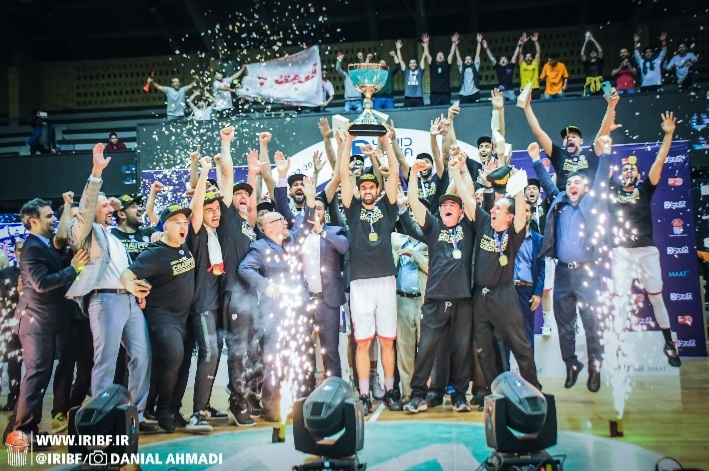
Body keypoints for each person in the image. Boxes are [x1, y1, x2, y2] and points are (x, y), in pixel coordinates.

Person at [65, 143, 155, 433]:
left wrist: (136, 290)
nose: (110, 208)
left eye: (109, 205)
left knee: (142, 356)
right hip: (104, 301)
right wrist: (96, 173)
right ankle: (100, 421)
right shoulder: (85, 232)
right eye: (104, 205)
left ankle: (135, 416)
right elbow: (86, 210)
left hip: (128, 301)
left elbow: (123, 271)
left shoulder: (113, 236)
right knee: (105, 361)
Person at [3, 199, 88, 447]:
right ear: (33, 221)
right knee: (36, 378)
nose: (54, 220)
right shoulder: (32, 248)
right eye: (49, 216)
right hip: (36, 324)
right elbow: (41, 283)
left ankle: (16, 430)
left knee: (37, 378)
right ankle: (23, 434)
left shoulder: (41, 245)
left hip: (43, 322)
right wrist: (74, 269)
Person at [457, 157, 541, 397]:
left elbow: (521, 208)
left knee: (519, 345)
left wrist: (518, 183)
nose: (492, 210)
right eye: (493, 208)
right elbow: (466, 198)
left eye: (498, 209)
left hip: (504, 295)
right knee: (483, 349)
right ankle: (496, 390)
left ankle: (534, 389)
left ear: (510, 217)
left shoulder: (515, 233)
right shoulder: (484, 222)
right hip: (480, 296)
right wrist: (455, 172)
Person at [540, 135, 613, 393]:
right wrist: (536, 161)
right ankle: (571, 364)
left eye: (577, 182)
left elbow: (602, 179)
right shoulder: (559, 204)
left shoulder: (593, 202)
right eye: (569, 182)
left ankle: (595, 367)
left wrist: (606, 152)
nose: (572, 185)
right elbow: (548, 184)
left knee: (592, 324)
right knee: (564, 325)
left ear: (585, 188)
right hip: (563, 274)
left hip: (588, 274)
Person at [403, 158, 475, 414]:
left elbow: (470, 196)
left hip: (462, 299)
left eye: (452, 205)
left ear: (460, 211)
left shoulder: (468, 226)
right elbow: (413, 201)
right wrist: (412, 174)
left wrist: (458, 171)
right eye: (443, 204)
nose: (447, 207)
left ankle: (459, 396)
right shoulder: (433, 226)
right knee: (426, 349)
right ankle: (418, 395)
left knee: (462, 350)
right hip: (434, 300)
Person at [609, 112, 681, 367]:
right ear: (621, 174)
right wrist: (607, 132)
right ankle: (618, 344)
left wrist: (668, 134)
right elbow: (601, 156)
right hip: (621, 252)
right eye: (625, 168)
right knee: (620, 300)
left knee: (656, 298)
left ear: (639, 174)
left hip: (647, 251)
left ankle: (669, 343)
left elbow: (660, 160)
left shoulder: (644, 189)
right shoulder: (612, 190)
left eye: (633, 168)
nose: (629, 171)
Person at [120, 202, 196, 433]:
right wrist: (133, 288)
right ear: (165, 227)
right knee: (174, 355)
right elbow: (127, 274)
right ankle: (162, 410)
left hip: (185, 317)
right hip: (163, 316)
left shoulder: (185, 246)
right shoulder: (154, 253)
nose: (183, 226)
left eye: (185, 222)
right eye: (177, 222)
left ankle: (170, 409)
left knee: (182, 362)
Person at [339, 131, 400, 415]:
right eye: (362, 186)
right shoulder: (352, 210)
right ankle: (364, 394)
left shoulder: (387, 208)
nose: (366, 190)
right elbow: (343, 176)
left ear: (377, 190)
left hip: (385, 279)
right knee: (362, 342)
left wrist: (385, 143)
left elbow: (394, 173)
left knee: (387, 340)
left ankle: (390, 390)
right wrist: (347, 144)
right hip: (360, 283)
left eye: (370, 186)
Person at [238, 210, 308, 422]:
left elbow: (303, 223)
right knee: (274, 360)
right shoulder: (260, 247)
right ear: (268, 227)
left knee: (296, 359)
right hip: (274, 313)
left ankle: (296, 404)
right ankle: (271, 407)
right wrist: (266, 286)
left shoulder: (291, 241)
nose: (285, 223)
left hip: (298, 310)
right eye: (280, 221)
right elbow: (245, 268)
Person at [300, 177, 349, 381]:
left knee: (330, 351)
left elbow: (344, 247)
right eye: (313, 208)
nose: (316, 212)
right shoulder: (298, 234)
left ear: (325, 212)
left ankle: (334, 388)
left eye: (319, 208)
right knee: (303, 350)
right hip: (303, 300)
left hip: (328, 301)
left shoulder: (335, 231)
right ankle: (305, 391)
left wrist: (322, 232)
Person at [0, 240, 23, 411]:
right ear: (14, 252)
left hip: (37, 323)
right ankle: (13, 398)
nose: (23, 253)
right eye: (19, 250)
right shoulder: (6, 273)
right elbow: (2, 298)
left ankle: (27, 400)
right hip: (11, 322)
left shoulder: (39, 271)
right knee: (14, 362)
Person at [424, 33, 457, 106]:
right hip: (434, 94)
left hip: (445, 93)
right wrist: (425, 44)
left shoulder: (447, 64)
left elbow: (451, 54)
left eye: (441, 55)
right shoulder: (432, 65)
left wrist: (454, 43)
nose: (440, 56)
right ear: (436, 58)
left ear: (444, 58)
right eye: (438, 55)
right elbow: (427, 55)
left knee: (446, 111)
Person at [396, 37, 427, 107]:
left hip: (419, 97)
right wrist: (398, 49)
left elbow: (423, 58)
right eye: (411, 63)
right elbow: (400, 60)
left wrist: (425, 46)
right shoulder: (406, 72)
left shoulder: (420, 72)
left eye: (414, 63)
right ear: (409, 65)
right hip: (408, 98)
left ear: (416, 64)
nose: (412, 64)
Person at [455, 33, 482, 104]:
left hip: (474, 92)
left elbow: (477, 55)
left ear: (472, 61)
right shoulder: (462, 67)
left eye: (469, 59)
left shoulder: (475, 66)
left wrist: (479, 43)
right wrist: (456, 46)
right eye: (466, 59)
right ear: (464, 61)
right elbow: (458, 57)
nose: (468, 60)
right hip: (464, 94)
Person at [515, 33, 541, 100]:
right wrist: (523, 43)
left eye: (529, 57)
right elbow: (520, 54)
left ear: (532, 58)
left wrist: (535, 42)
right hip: (524, 89)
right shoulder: (522, 64)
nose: (528, 58)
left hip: (535, 88)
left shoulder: (535, 63)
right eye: (526, 57)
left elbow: (538, 52)